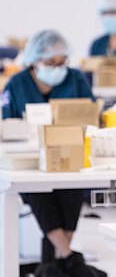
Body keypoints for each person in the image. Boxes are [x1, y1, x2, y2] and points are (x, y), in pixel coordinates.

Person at [1, 30, 106, 277]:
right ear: (33, 61)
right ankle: (68, 258)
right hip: (29, 158)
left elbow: (93, 117)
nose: (57, 68)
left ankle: (57, 262)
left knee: (71, 189)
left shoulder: (76, 79)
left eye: (62, 62)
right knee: (36, 189)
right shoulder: (17, 84)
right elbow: (6, 124)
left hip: (69, 156)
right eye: (50, 63)